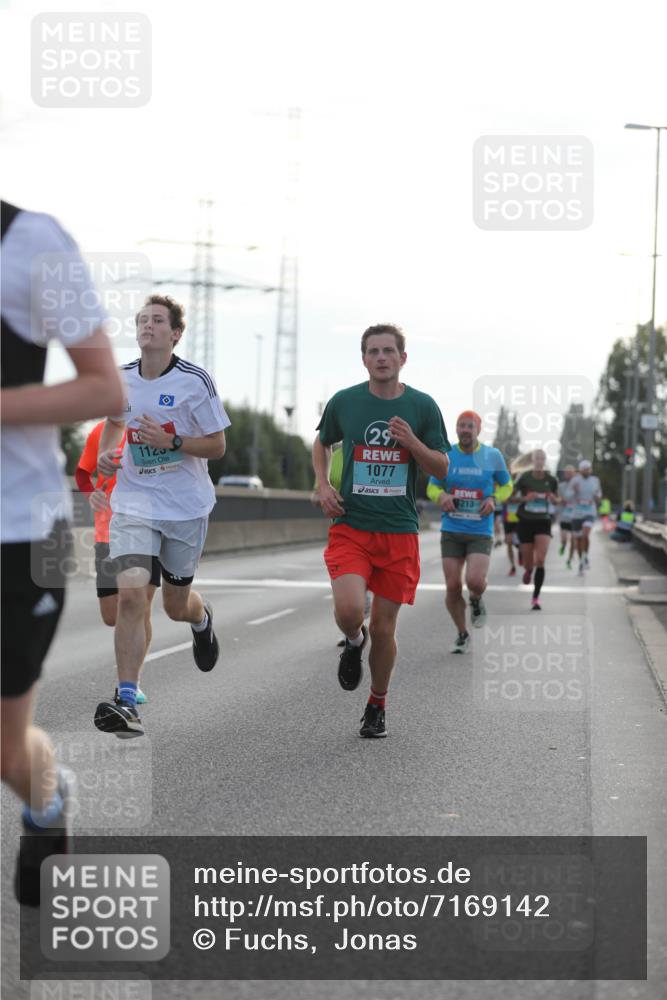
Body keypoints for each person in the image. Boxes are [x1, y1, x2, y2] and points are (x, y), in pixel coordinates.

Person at [1, 200, 124, 904]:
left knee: (8, 752)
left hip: (20, 531)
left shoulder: (30, 242)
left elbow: (105, 386)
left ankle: (46, 799)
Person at [93, 294, 230, 738]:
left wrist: (172, 443)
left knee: (174, 606)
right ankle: (127, 698)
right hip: (134, 502)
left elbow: (217, 446)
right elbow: (115, 423)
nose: (147, 325)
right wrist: (107, 456)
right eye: (141, 320)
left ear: (175, 333)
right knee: (132, 597)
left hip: (185, 507)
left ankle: (201, 617)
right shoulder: (122, 378)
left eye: (157, 320)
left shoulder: (195, 381)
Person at [313, 323, 449, 738]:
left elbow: (442, 467)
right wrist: (323, 485)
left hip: (398, 531)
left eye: (389, 351)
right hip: (352, 525)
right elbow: (322, 442)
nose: (381, 357)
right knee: (352, 611)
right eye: (373, 351)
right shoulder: (346, 402)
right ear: (364, 359)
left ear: (402, 358)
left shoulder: (423, 407)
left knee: (385, 629)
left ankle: (377, 703)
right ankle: (354, 642)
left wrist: (412, 443)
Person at [76, 420, 162, 703]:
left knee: (137, 604)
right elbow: (82, 473)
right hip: (106, 533)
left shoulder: (151, 426)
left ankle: (130, 683)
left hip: (143, 529)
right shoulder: (100, 431)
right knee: (111, 615)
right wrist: (92, 495)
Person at [426, 411, 511, 653]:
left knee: (474, 580)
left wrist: (495, 498)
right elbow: (432, 485)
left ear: (478, 429)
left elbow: (507, 485)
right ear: (456, 429)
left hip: (480, 529)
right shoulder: (447, 455)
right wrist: (441, 495)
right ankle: (462, 633)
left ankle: (475, 599)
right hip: (451, 528)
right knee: (452, 586)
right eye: (461, 425)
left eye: (469, 426)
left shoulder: (492, 456)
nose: (465, 430)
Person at [512, 449, 559, 610]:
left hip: (543, 522)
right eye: (536, 458)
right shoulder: (524, 478)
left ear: (544, 460)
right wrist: (525, 498)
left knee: (540, 559)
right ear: (532, 461)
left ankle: (535, 598)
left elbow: (558, 500)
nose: (539, 461)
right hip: (525, 521)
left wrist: (554, 499)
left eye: (542, 458)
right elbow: (509, 498)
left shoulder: (551, 480)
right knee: (528, 562)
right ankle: (528, 570)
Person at [570, 459, 602, 575]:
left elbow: (599, 497)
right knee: (578, 541)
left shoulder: (595, 480)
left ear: (590, 470)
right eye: (584, 469)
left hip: (589, 512)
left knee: (585, 534)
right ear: (580, 470)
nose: (586, 471)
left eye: (588, 469)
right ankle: (582, 561)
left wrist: (596, 498)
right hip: (576, 514)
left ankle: (585, 556)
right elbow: (567, 497)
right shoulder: (575, 480)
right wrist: (574, 491)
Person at [557, 465, 577, 568]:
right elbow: (558, 498)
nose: (569, 475)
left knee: (573, 540)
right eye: (567, 473)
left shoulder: (577, 485)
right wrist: (561, 500)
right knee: (564, 539)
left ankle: (569, 560)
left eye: (571, 473)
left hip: (574, 517)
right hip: (564, 516)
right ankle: (563, 545)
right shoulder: (561, 486)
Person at [502, 498, 521, 576]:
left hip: (520, 518)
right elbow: (502, 500)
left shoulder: (521, 486)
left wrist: (518, 500)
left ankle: (521, 553)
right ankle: (513, 566)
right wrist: (512, 500)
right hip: (508, 519)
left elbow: (526, 498)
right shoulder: (506, 486)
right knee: (509, 542)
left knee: (520, 543)